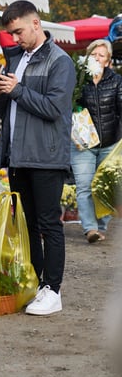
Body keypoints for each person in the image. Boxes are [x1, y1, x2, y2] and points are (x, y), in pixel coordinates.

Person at [0, 0, 76, 316]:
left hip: (46, 156)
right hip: (19, 155)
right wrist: (0, 93)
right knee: (27, 226)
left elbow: (54, 109)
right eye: (11, 34)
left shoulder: (59, 61)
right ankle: (39, 285)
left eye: (19, 31)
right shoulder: (16, 59)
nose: (15, 39)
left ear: (36, 23)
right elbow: (7, 110)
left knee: (48, 225)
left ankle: (53, 290)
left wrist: (17, 91)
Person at [71, 38, 122, 243]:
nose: (97, 58)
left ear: (108, 61)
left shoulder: (116, 81)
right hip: (84, 144)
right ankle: (90, 228)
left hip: (110, 143)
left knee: (104, 186)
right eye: (94, 54)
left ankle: (102, 226)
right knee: (84, 186)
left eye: (102, 55)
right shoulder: (78, 79)